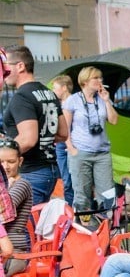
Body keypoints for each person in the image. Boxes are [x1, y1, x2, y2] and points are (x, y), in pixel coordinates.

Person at [1, 45, 67, 204]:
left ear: (20, 66)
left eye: (6, 65)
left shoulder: (22, 97)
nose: (3, 71)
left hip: (31, 172)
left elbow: (28, 139)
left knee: (22, 226)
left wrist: (5, 153)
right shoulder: (48, 92)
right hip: (49, 170)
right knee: (36, 224)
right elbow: (63, 133)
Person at [62, 66, 120, 213]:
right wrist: (71, 149)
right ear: (85, 81)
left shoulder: (101, 99)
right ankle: (84, 226)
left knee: (107, 194)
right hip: (81, 152)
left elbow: (114, 121)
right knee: (82, 194)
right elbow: (65, 128)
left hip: (102, 154)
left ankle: (107, 226)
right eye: (96, 78)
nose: (100, 81)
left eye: (101, 78)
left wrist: (106, 101)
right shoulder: (72, 100)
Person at [0, 138, 32, 277]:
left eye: (11, 162)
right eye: (0, 162)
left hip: (14, 255)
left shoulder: (21, 184)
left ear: (20, 161)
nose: (5, 167)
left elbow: (3, 210)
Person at [50, 75, 75, 205]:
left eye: (55, 88)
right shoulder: (58, 104)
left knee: (69, 180)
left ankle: (72, 208)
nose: (53, 91)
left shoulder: (72, 103)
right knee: (67, 179)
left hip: (67, 144)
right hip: (60, 144)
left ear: (64, 88)